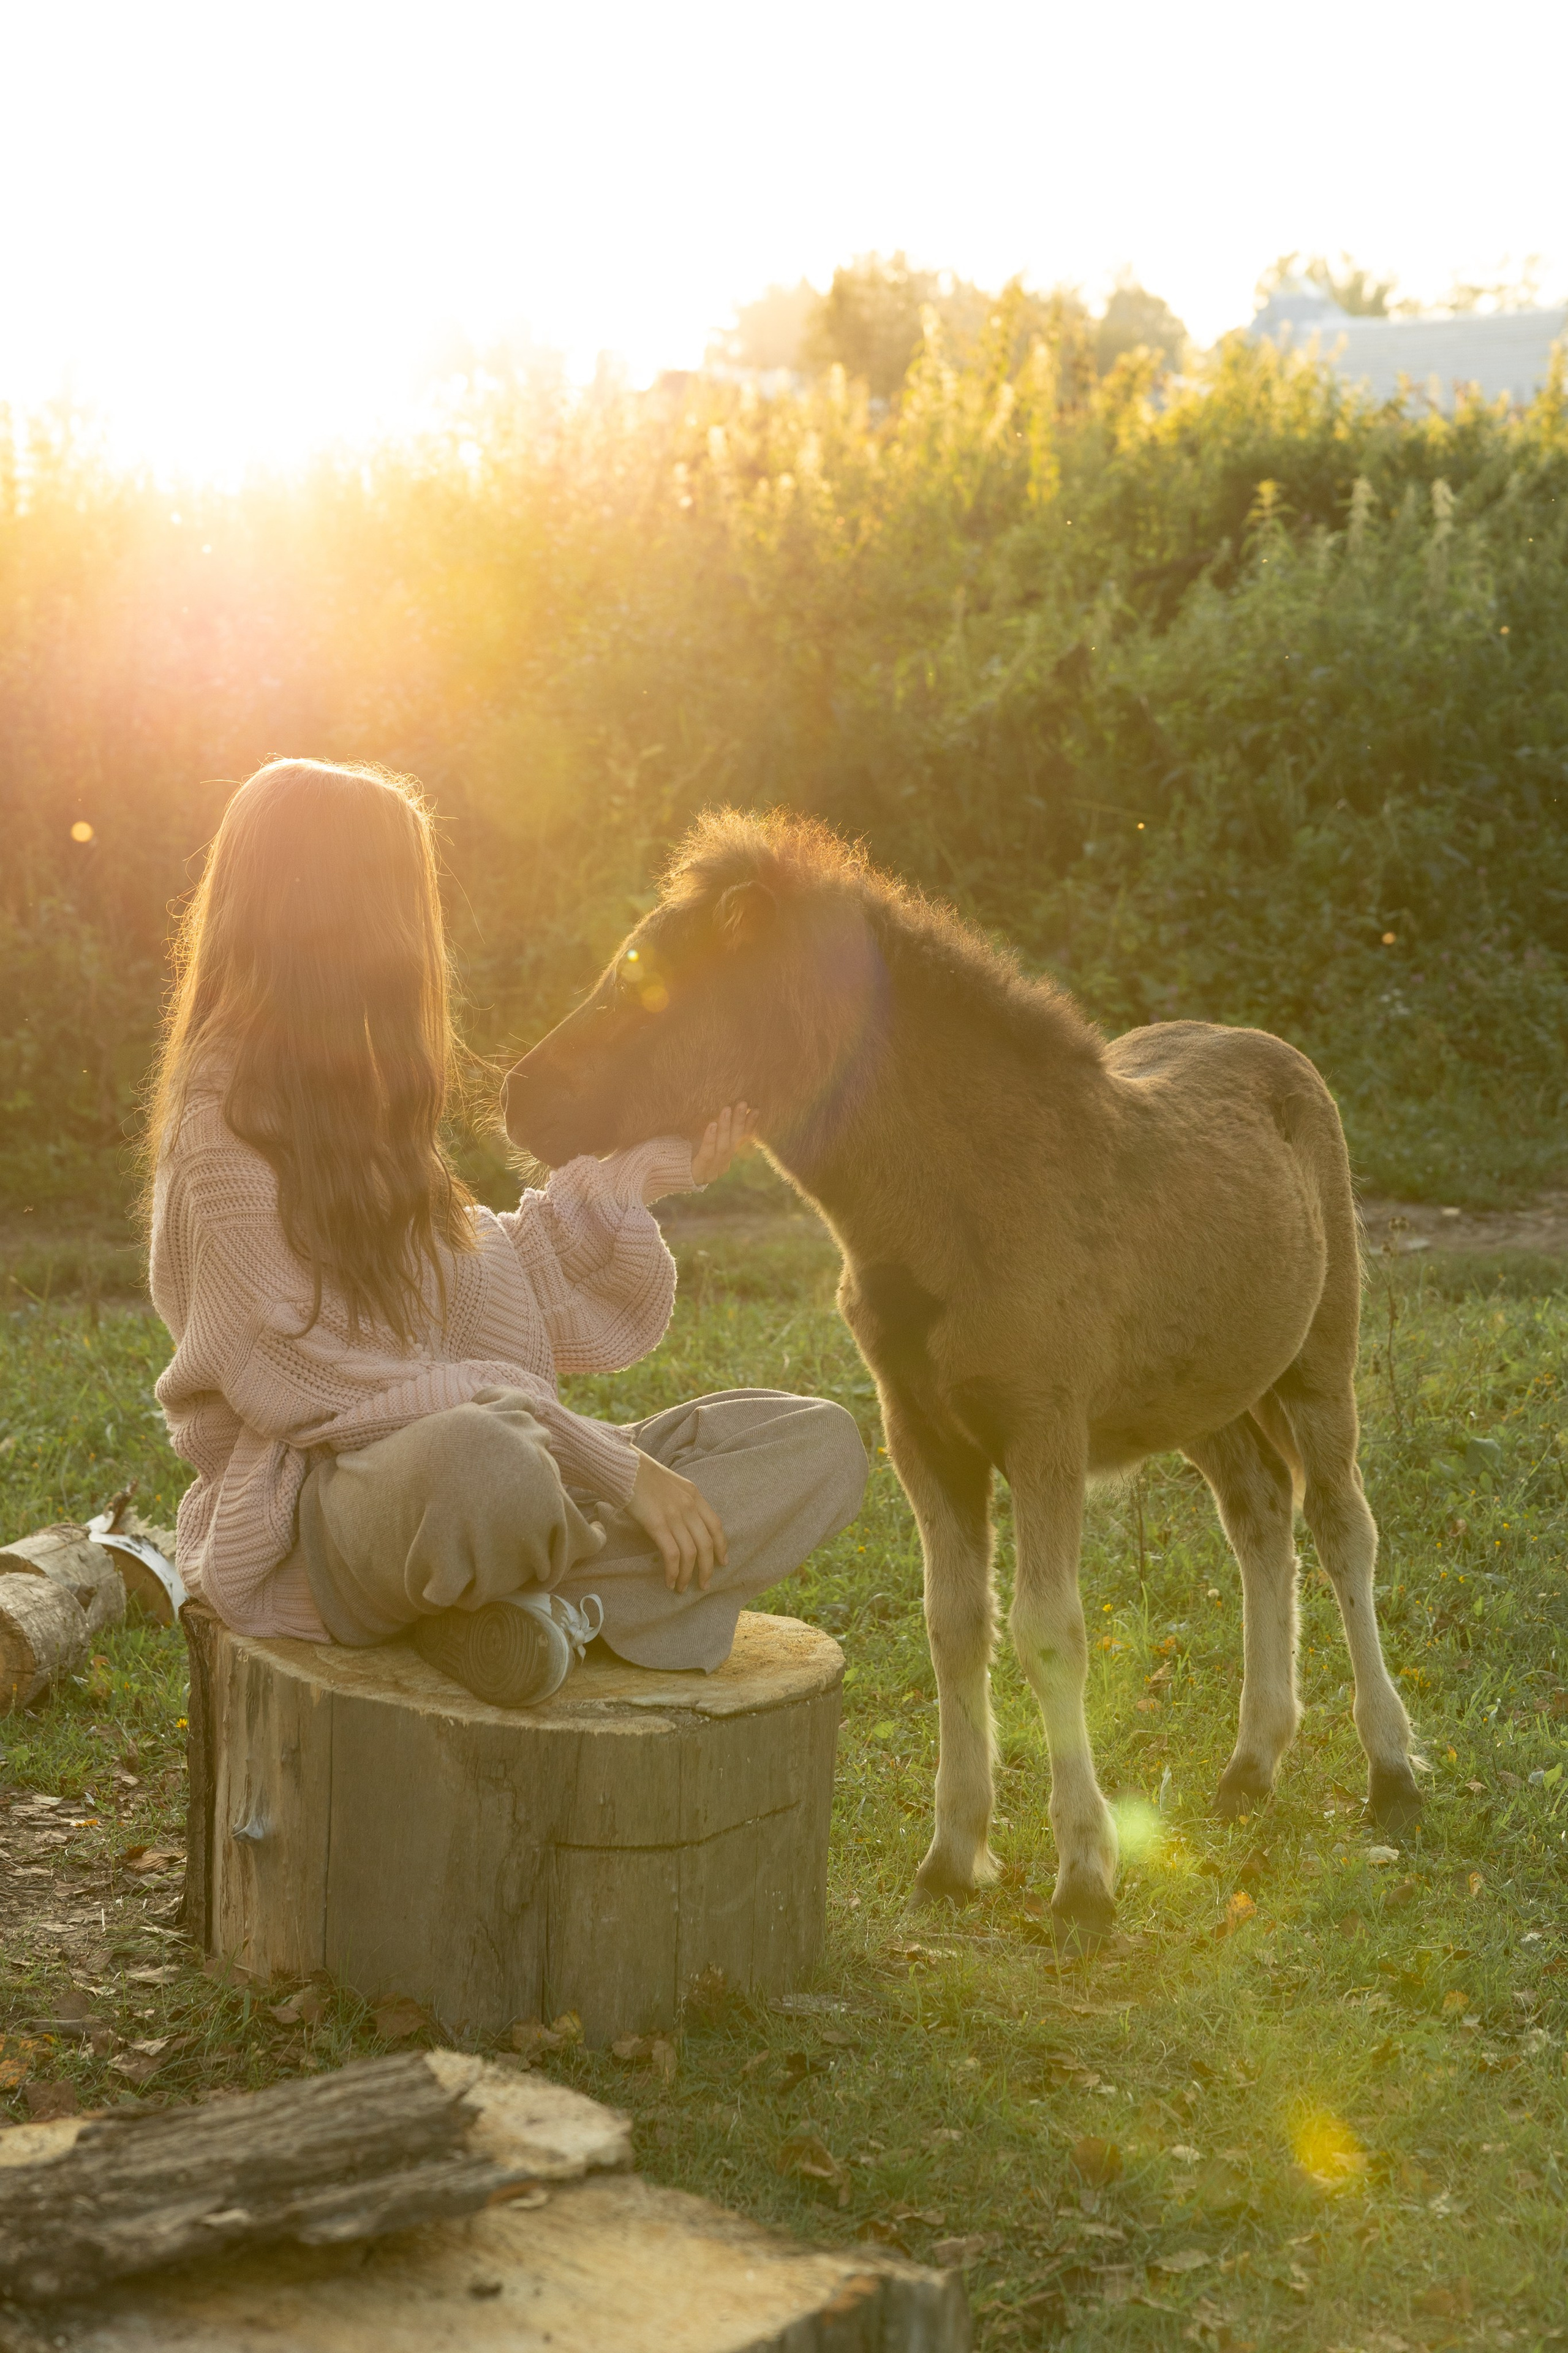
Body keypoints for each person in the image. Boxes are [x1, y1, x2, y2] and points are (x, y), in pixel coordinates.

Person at [146, 759, 867, 1707]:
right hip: (332, 1514)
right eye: (397, 896)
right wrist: (609, 1462)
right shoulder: (218, 1122)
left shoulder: (360, 1096)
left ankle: (521, 1607)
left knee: (819, 1446)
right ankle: (572, 1590)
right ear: (321, 911)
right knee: (489, 1467)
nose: (417, 934)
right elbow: (299, 1380)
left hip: (493, 1460)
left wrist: (658, 1166)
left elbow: (492, 1275)